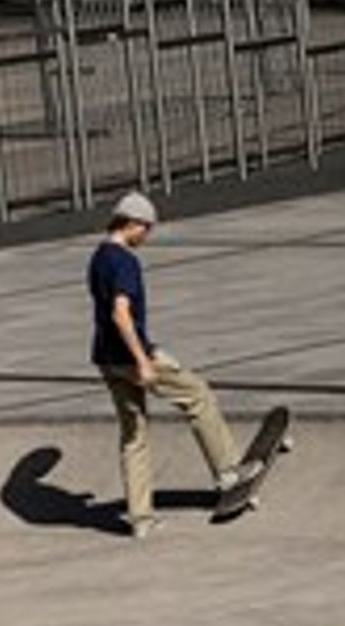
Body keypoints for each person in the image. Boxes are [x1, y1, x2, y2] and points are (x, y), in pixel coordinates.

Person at [89, 191, 254, 539]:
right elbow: (121, 315)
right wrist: (143, 360)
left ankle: (141, 519)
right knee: (198, 395)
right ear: (131, 223)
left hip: (105, 358)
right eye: (145, 229)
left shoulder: (98, 258)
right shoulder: (124, 261)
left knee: (134, 435)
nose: (146, 237)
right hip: (132, 356)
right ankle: (227, 471)